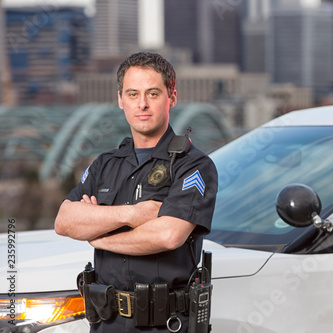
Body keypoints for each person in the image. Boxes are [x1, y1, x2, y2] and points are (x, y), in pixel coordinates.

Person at [55, 52, 218, 332]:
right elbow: (65, 221)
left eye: (153, 93)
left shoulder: (194, 166)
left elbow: (168, 235)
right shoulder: (105, 164)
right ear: (121, 99)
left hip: (166, 323)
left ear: (172, 97)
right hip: (106, 321)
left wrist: (99, 234)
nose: (142, 104)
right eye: (132, 94)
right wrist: (134, 214)